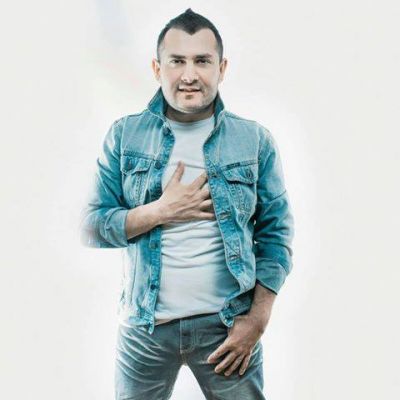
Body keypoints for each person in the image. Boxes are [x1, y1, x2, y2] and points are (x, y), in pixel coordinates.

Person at [80, 8, 294, 400]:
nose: (189, 75)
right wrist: (160, 211)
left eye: (202, 61)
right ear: (157, 68)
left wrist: (258, 319)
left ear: (222, 68)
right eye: (177, 61)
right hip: (144, 330)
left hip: (228, 328)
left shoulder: (254, 141)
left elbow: (276, 235)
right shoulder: (125, 135)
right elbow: (91, 226)